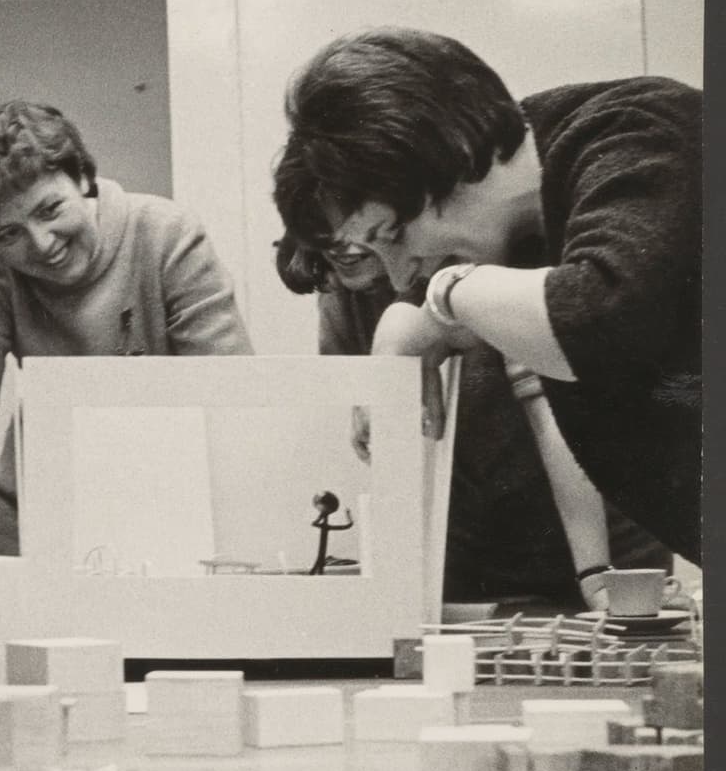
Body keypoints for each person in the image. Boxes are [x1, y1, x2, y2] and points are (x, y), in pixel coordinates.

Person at [272, 27, 700, 563]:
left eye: (394, 235)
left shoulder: (640, 127)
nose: (402, 277)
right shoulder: (520, 240)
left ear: (450, 155)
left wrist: (448, 294)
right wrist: (410, 328)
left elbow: (595, 322)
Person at [0, 100, 253, 638]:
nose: (41, 244)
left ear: (83, 178)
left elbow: (235, 403)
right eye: (8, 234)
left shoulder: (165, 233)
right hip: (36, 536)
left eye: (49, 209)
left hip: (176, 530)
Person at [274, 233, 669, 608]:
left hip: (604, 529)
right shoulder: (343, 288)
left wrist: (595, 571)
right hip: (470, 550)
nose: (342, 242)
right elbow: (390, 449)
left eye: (357, 220)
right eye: (322, 228)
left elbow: (550, 413)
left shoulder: (478, 265)